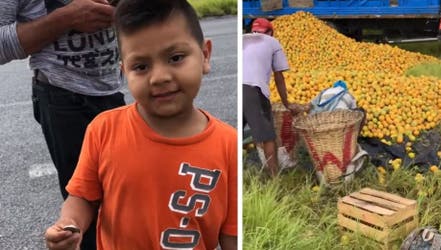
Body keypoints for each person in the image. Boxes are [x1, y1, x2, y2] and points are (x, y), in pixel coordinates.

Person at [44, 0, 238, 249]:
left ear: (205, 55)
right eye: (141, 66)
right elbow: (82, 197)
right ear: (124, 71)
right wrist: (69, 224)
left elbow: (232, 235)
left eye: (176, 58)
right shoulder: (103, 129)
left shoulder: (228, 144)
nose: (159, 77)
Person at [0, 0, 125, 249]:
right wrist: (66, 18)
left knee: (125, 196)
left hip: (114, 88)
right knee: (87, 203)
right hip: (62, 95)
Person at [243, 18, 300, 176]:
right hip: (253, 89)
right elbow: (279, 77)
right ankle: (274, 178)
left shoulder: (242, 39)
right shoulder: (272, 42)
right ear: (270, 32)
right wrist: (286, 103)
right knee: (268, 136)